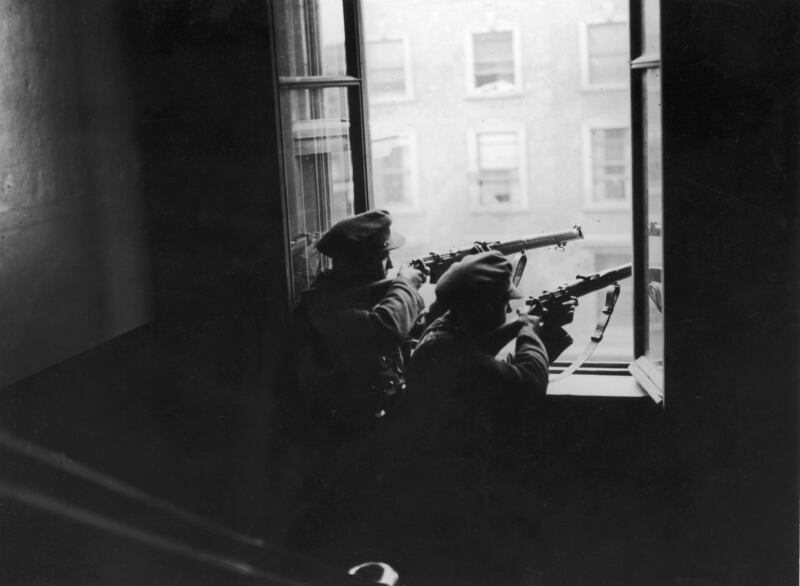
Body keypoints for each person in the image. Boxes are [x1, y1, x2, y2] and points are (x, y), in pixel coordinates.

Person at [284, 251, 576, 585]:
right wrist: (530, 330)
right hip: (443, 499)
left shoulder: (445, 330)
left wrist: (539, 334)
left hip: (434, 487)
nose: (508, 309)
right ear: (482, 307)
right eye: (502, 304)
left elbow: (490, 371)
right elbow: (527, 387)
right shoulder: (447, 350)